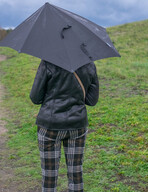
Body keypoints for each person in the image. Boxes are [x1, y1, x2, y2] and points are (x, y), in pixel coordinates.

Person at [30, 60, 99, 192]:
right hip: (77, 126)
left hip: (49, 126)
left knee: (49, 176)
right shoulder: (89, 64)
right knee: (76, 173)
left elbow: (35, 97)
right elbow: (92, 100)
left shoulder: (47, 62)